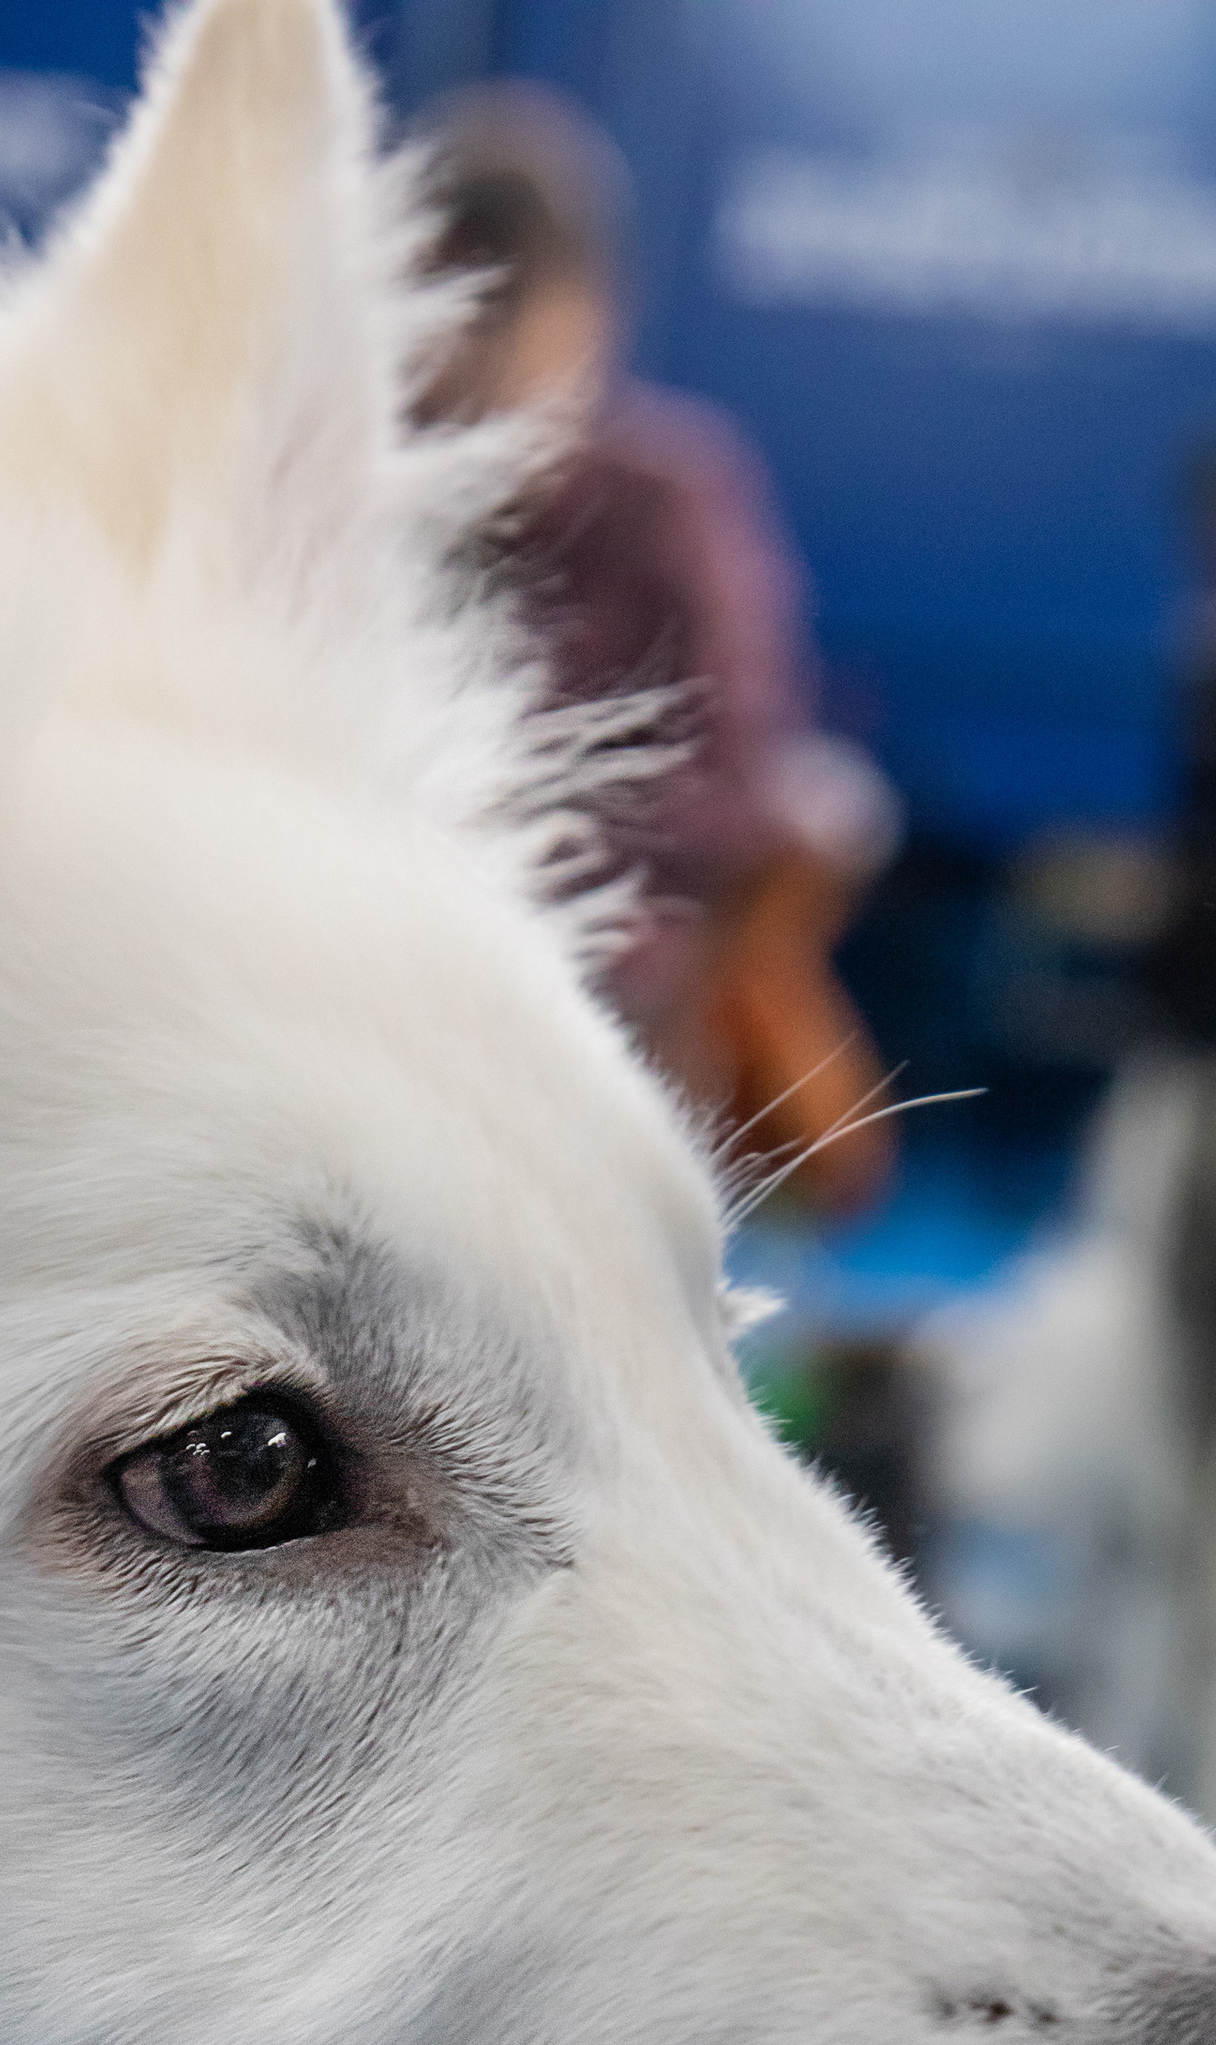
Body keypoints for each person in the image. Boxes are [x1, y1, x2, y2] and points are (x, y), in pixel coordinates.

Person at [417, 83, 899, 1218]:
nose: (462, 363)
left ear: (585, 312)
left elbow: (731, 776)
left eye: (500, 315)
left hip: (596, 1017)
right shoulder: (361, 492)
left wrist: (523, 882)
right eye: (436, 313)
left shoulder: (672, 498)